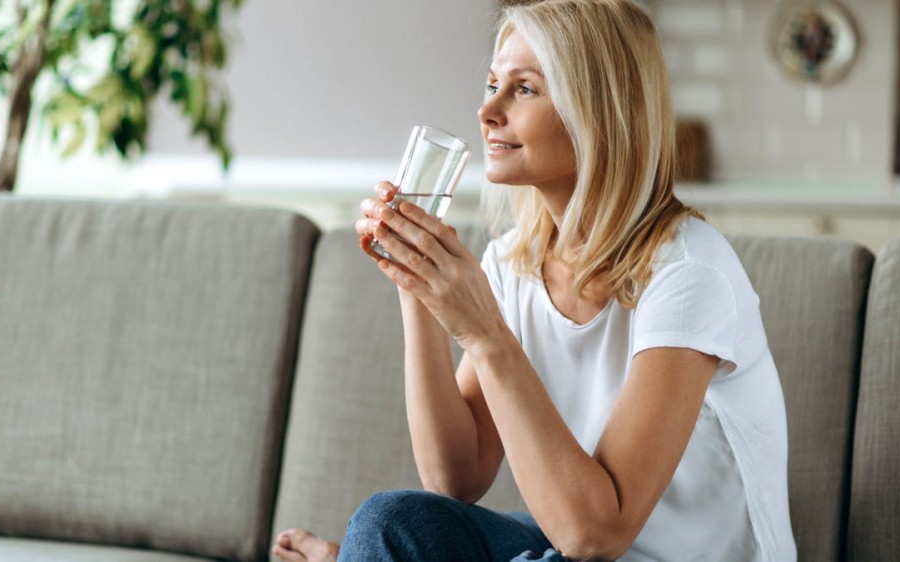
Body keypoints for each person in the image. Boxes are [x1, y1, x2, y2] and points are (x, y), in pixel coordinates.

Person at [274, 0, 796, 560]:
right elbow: (456, 478)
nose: (487, 110)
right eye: (493, 83)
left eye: (523, 89)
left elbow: (596, 535)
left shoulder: (689, 273)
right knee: (393, 522)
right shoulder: (514, 264)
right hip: (562, 548)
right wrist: (417, 285)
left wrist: (486, 336)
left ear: (598, 111)